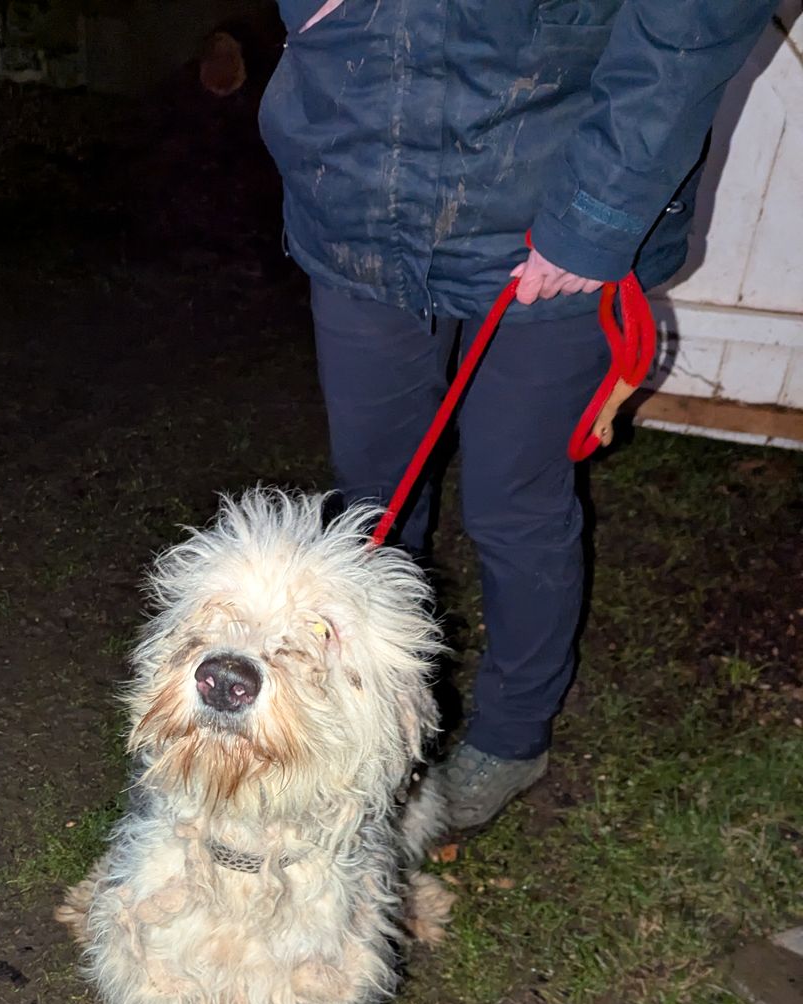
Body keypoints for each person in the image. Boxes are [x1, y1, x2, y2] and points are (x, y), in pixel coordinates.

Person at [259, 0, 777, 833]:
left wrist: (599, 215)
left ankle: (511, 732)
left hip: (553, 200)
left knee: (515, 500)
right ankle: (360, 714)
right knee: (372, 506)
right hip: (358, 188)